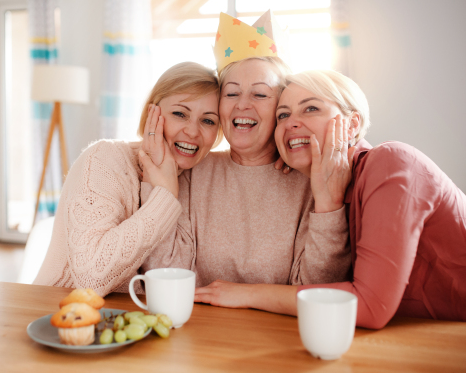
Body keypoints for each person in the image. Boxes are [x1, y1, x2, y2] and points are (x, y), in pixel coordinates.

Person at [196, 69, 466, 329]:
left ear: (352, 124)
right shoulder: (321, 183)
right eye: (283, 115)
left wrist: (246, 295)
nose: (291, 122)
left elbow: (370, 306)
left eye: (311, 108)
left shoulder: (391, 163)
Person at [143, 56, 353, 287]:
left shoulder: (311, 180)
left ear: (279, 109)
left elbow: (316, 288)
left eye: (260, 94)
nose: (242, 105)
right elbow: (167, 278)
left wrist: (328, 207)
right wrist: (159, 190)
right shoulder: (191, 171)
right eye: (231, 94)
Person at [33, 62, 222, 296]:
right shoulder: (103, 159)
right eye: (180, 114)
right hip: (57, 313)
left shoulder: (197, 177)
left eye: (208, 121)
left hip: (130, 323)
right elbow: (90, 277)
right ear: (151, 113)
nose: (193, 132)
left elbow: (173, 280)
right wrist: (164, 195)